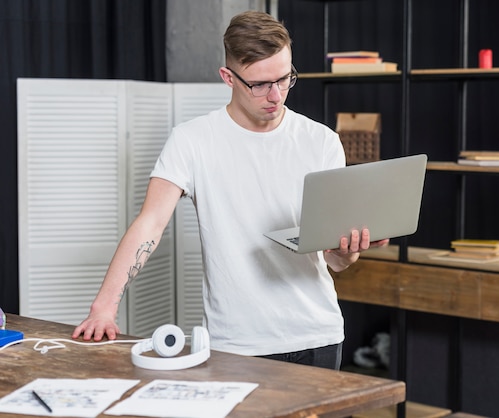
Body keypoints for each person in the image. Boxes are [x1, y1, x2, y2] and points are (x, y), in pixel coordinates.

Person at [72, 10, 388, 370]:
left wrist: (347, 251)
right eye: (260, 84)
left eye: (285, 79)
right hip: (236, 343)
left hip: (317, 335)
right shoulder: (191, 141)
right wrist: (104, 307)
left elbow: (336, 262)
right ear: (228, 77)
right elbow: (150, 224)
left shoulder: (322, 142)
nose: (276, 95)